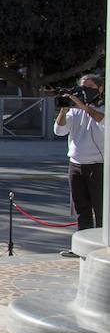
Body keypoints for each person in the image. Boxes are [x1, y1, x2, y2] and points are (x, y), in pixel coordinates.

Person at [54, 74, 105, 230]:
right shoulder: (74, 110)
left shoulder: (103, 106)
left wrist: (85, 107)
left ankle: (102, 245)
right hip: (76, 165)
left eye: (89, 88)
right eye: (82, 88)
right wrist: (64, 110)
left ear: (100, 88)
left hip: (98, 165)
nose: (85, 91)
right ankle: (82, 242)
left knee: (101, 208)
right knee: (81, 209)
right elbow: (59, 131)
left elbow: (104, 121)